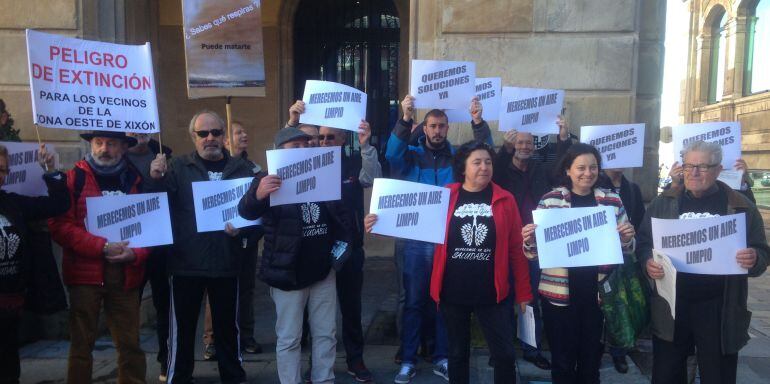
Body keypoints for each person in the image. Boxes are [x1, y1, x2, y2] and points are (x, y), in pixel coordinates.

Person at [374, 140, 532, 384]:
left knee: (504, 355)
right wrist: (379, 223)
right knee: (456, 354)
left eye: (488, 162)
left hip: (492, 294)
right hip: (452, 292)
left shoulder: (505, 199)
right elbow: (411, 223)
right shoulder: (445, 196)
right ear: (463, 168)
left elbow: (515, 250)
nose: (484, 167)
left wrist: (523, 293)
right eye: (477, 162)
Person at [638, 140, 768, 384]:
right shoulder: (662, 204)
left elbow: (762, 252)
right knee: (666, 374)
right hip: (672, 307)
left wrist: (754, 257)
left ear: (719, 169)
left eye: (703, 167)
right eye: (688, 166)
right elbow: (645, 243)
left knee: (717, 375)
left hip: (719, 307)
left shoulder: (742, 207)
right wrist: (647, 262)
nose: (694, 173)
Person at [385, 94, 492, 383]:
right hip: (416, 240)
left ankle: (442, 357)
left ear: (447, 128)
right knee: (414, 301)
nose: (437, 131)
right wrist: (405, 118)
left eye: (442, 126)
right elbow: (391, 155)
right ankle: (408, 360)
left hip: (448, 239)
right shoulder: (410, 154)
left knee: (445, 300)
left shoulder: (457, 158)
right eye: (432, 126)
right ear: (425, 127)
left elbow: (484, 155)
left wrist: (478, 123)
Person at [238, 126, 353, 384]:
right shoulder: (266, 179)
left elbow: (341, 217)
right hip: (287, 271)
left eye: (306, 145)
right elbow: (246, 211)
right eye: (295, 147)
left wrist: (339, 253)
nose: (303, 150)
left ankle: (324, 379)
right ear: (280, 152)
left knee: (326, 333)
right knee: (290, 337)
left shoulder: (325, 174)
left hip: (323, 270)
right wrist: (259, 194)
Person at [148, 110, 252, 384]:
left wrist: (244, 228)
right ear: (193, 137)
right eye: (203, 134)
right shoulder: (177, 168)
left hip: (227, 263)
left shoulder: (243, 169)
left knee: (228, 329)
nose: (210, 138)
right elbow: (156, 210)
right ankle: (179, 377)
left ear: (223, 136)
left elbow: (259, 214)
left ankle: (233, 376)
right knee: (181, 331)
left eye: (216, 133)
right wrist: (155, 180)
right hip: (185, 264)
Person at [521, 143, 636, 384]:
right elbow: (534, 254)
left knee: (591, 361)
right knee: (562, 362)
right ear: (568, 170)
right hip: (558, 296)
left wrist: (627, 238)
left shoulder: (612, 201)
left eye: (593, 167)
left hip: (598, 297)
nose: (588, 173)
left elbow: (625, 248)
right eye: (581, 168)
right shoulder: (551, 201)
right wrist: (530, 240)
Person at [48, 131, 150, 384]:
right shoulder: (75, 178)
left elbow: (150, 227)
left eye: (111, 144)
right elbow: (60, 226)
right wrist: (100, 247)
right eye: (99, 143)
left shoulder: (136, 180)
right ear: (91, 145)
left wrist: (134, 254)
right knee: (81, 346)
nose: (104, 149)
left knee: (130, 344)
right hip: (85, 274)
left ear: (124, 148)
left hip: (125, 275)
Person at [315, 121, 382, 381]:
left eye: (331, 137)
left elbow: (372, 178)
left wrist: (366, 145)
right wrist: (292, 123)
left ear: (342, 139)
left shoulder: (354, 162)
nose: (325, 142)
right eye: (321, 138)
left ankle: (356, 360)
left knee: (351, 308)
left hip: (350, 248)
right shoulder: (308, 165)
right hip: (317, 249)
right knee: (317, 312)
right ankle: (319, 364)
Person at [0, 144, 69, 384]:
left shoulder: (11, 203)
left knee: (8, 368)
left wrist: (51, 170)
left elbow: (59, 205)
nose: (0, 174)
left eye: (3, 170)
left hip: (9, 303)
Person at [201, 120, 264, 360]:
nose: (244, 135)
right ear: (226, 140)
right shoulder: (217, 168)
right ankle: (212, 340)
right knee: (214, 290)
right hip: (218, 241)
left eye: (245, 131)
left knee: (246, 289)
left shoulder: (252, 168)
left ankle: (246, 336)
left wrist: (249, 232)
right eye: (238, 132)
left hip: (245, 240)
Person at [492, 131, 553, 370]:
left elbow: (562, 170)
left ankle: (532, 348)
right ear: (513, 146)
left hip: (536, 245)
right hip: (506, 242)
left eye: (529, 142)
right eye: (520, 142)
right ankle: (502, 349)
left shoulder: (541, 171)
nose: (525, 146)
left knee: (531, 298)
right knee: (503, 298)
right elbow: (493, 167)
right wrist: (504, 148)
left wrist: (564, 137)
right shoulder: (501, 171)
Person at [125, 132, 174, 381]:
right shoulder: (117, 158)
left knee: (164, 306)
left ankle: (167, 361)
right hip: (128, 246)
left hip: (160, 244)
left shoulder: (165, 155)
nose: (136, 132)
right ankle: (130, 369)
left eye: (141, 125)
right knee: (126, 308)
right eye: (130, 127)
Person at [597, 168, 646, 373]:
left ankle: (619, 353)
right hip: (597, 257)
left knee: (619, 306)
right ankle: (596, 353)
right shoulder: (597, 185)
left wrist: (629, 233)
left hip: (622, 258)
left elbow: (641, 221)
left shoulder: (632, 188)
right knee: (599, 312)